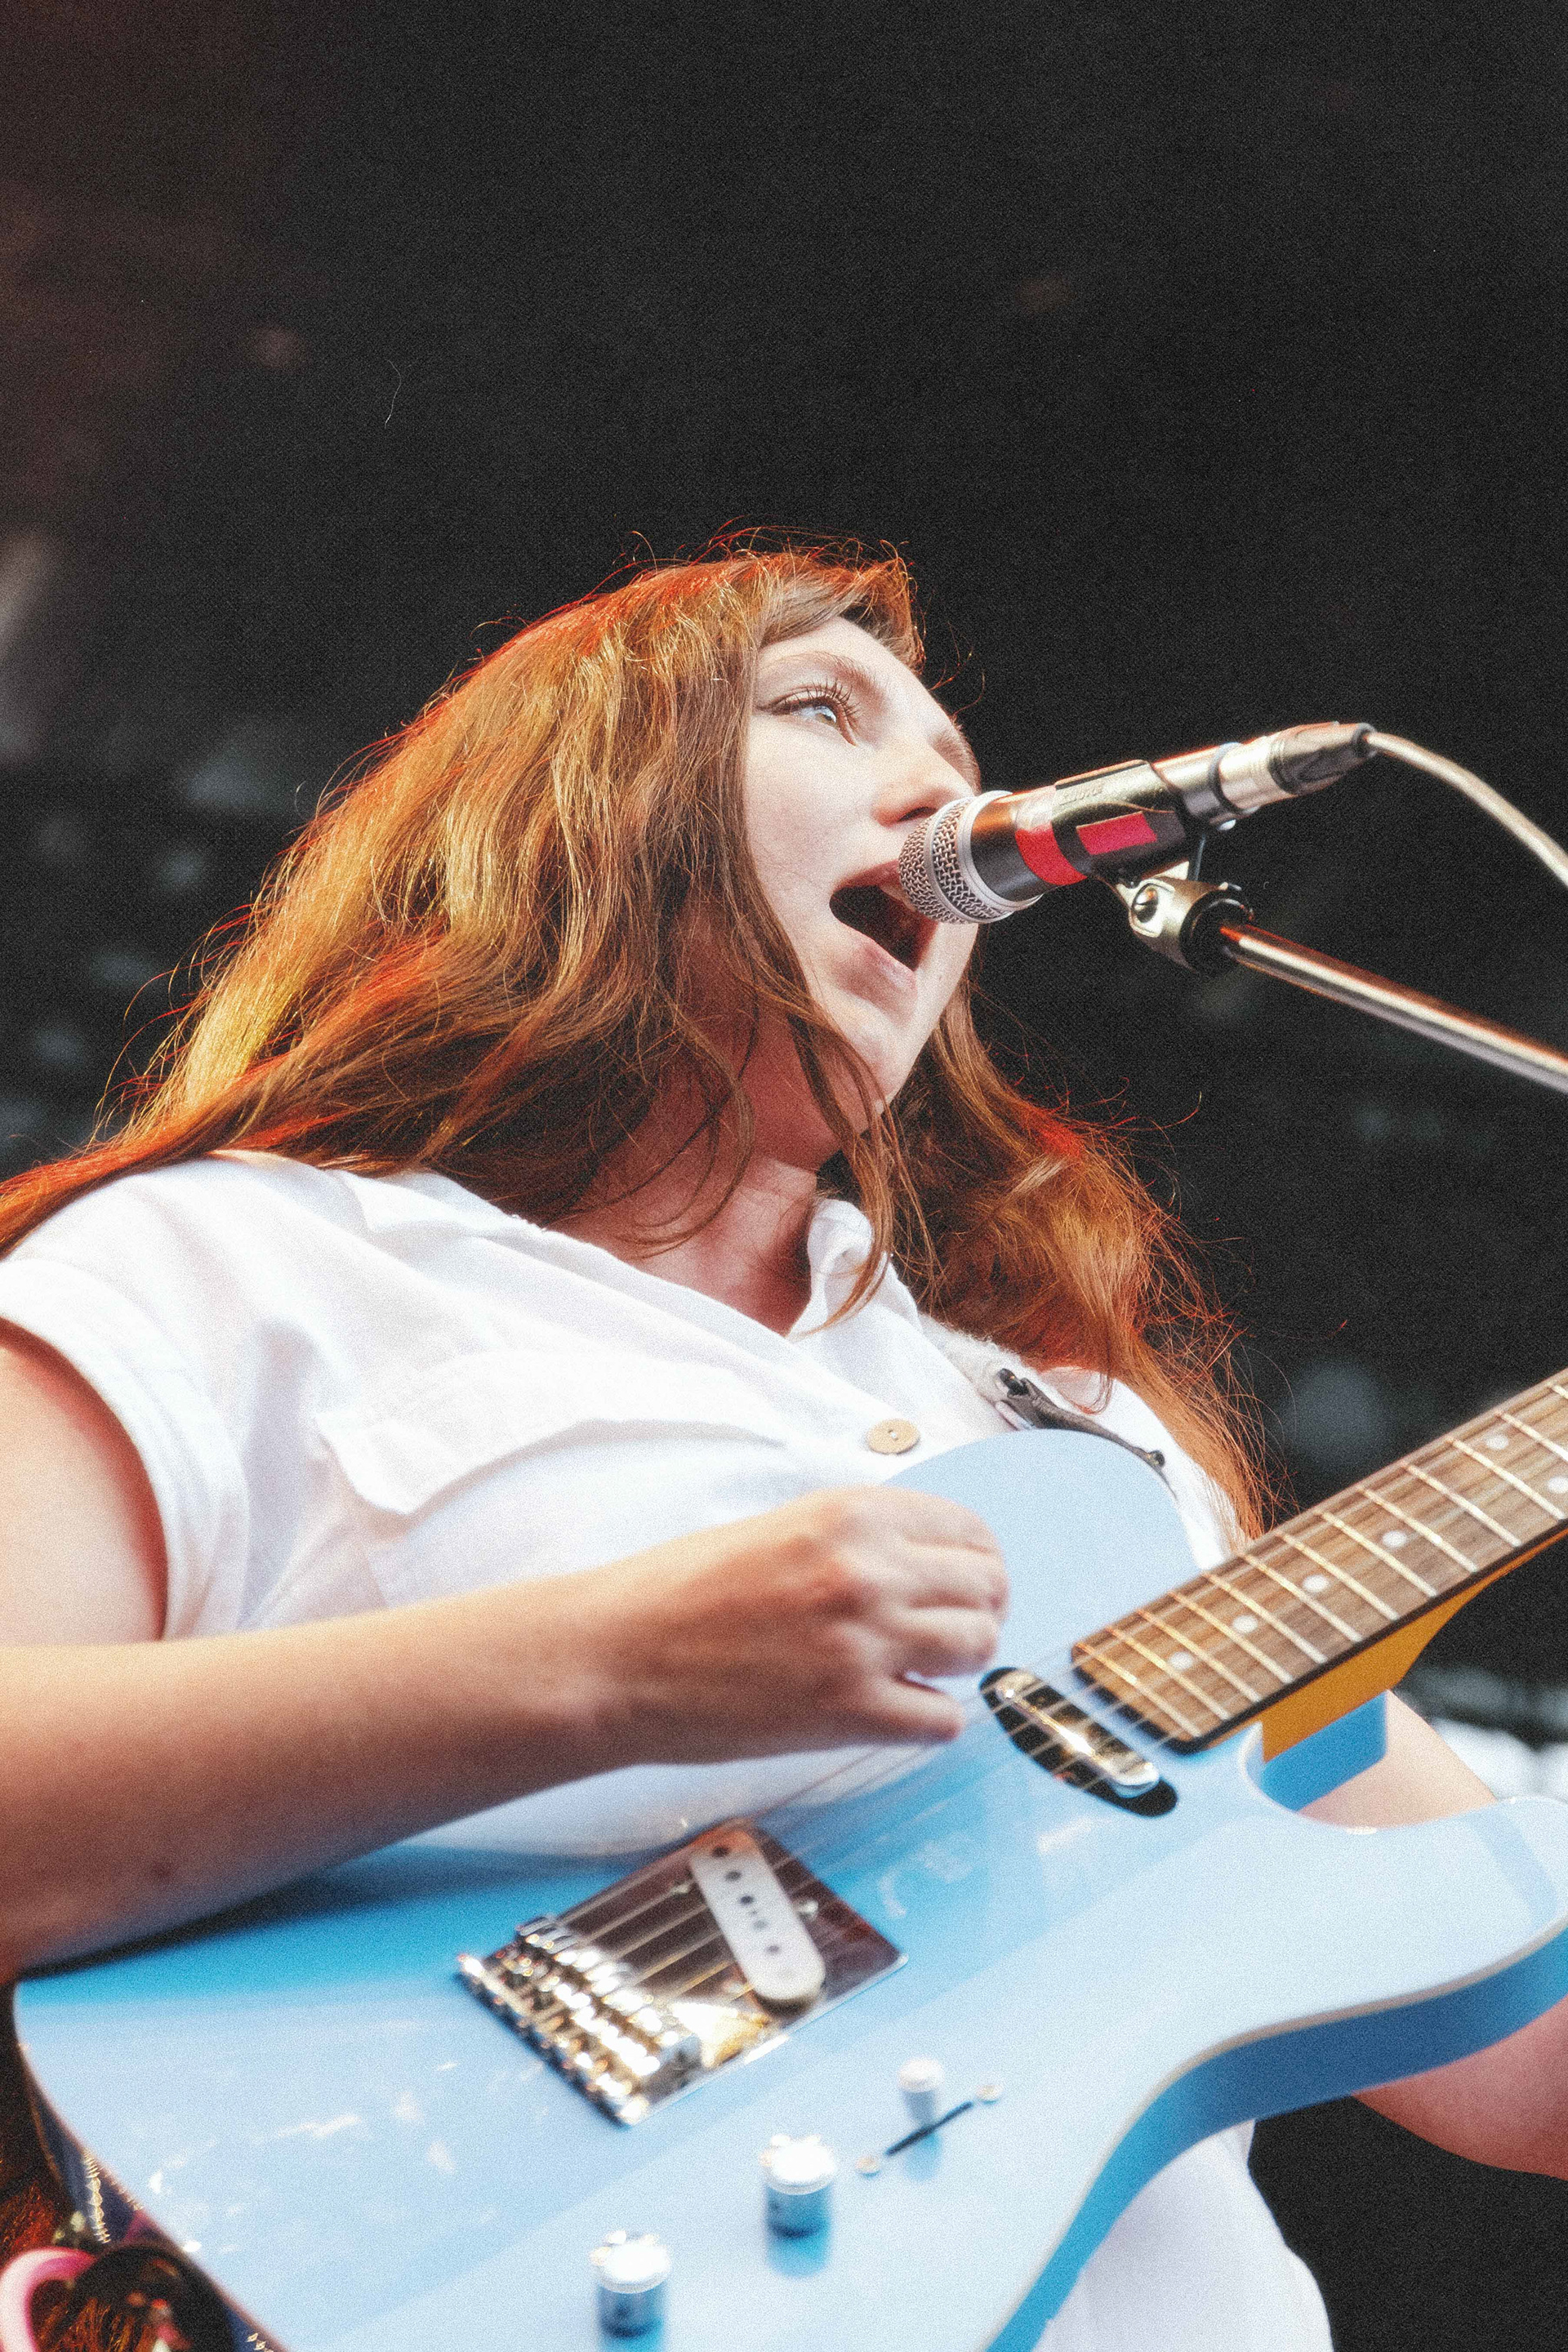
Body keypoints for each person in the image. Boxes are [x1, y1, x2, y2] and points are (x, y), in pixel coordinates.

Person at [0, 541, 1562, 2347]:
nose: (943, 796)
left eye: (956, 755)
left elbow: (1531, 2074)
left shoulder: (1089, 1449)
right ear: (579, 813)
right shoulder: (233, 1260)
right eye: (824, 710)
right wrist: (608, 1668)